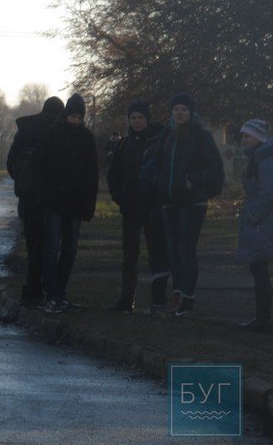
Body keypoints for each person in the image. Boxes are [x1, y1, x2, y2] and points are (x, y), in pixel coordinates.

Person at [155, 93, 224, 317]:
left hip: (192, 201)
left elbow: (214, 167)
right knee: (173, 250)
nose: (179, 113)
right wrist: (159, 182)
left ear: (191, 112)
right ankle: (177, 294)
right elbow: (158, 162)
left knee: (186, 249)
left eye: (183, 109)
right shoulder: (167, 134)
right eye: (176, 109)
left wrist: (193, 180)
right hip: (169, 199)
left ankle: (187, 299)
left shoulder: (201, 136)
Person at [33, 93, 99, 313]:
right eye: (72, 116)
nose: (75, 120)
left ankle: (59, 293)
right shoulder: (51, 134)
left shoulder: (86, 138)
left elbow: (92, 174)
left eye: (78, 117)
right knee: (52, 248)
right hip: (55, 201)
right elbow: (39, 166)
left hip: (75, 202)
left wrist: (89, 204)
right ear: (66, 114)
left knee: (69, 250)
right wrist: (45, 193)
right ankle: (52, 294)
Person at [106, 101, 168, 313]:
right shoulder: (124, 144)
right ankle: (126, 300)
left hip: (152, 208)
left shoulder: (158, 143)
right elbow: (113, 174)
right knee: (129, 256)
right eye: (133, 118)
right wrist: (119, 196)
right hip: (130, 207)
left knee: (156, 255)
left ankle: (157, 300)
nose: (137, 121)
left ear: (147, 119)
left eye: (140, 118)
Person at [6, 95, 66, 306]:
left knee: (34, 246)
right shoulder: (59, 131)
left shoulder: (26, 129)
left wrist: (23, 182)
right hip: (52, 199)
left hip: (28, 197)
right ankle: (50, 288)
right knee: (52, 245)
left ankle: (32, 288)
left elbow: (11, 163)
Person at [236, 119, 273, 333]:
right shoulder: (258, 158)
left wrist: (254, 215)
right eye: (243, 135)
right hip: (260, 220)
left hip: (262, 222)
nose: (244, 139)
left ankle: (262, 318)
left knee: (259, 268)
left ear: (258, 137)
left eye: (247, 135)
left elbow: (268, 193)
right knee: (258, 268)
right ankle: (262, 317)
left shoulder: (264, 160)